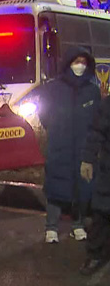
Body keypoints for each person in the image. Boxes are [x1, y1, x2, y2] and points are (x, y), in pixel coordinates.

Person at [37, 46, 100, 244]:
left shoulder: (92, 91)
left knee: (82, 187)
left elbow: (98, 120)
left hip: (83, 147)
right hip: (60, 145)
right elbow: (44, 114)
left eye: (83, 62)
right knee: (56, 186)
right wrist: (56, 131)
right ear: (68, 63)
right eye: (76, 61)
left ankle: (78, 225)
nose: (80, 66)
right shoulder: (54, 88)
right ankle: (51, 227)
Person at [79, 93, 110, 275]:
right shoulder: (108, 104)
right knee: (102, 213)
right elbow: (96, 132)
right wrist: (88, 159)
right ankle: (95, 254)